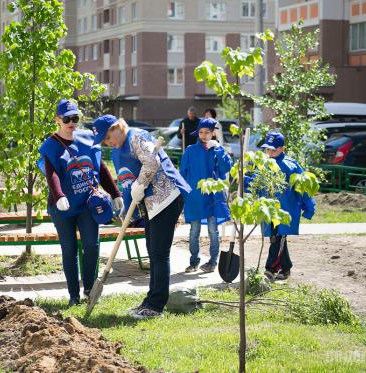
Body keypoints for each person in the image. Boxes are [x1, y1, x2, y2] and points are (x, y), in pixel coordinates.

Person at [93, 114, 191, 320]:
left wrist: (141, 183)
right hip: (151, 203)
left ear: (117, 127)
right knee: (152, 251)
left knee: (159, 252)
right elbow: (127, 181)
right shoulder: (119, 150)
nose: (107, 143)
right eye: (104, 141)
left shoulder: (137, 136)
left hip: (167, 198)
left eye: (107, 137)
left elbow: (152, 162)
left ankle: (156, 306)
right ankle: (150, 300)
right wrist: (127, 207)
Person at [38, 100, 123, 307]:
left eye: (75, 118)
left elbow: (100, 167)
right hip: (63, 206)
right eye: (66, 118)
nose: (71, 122)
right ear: (58, 120)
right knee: (69, 250)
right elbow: (51, 174)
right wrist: (58, 196)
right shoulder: (51, 145)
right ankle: (73, 295)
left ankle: (89, 289)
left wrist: (114, 192)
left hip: (88, 204)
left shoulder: (87, 139)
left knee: (91, 246)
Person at [257, 131, 316, 281]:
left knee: (278, 238)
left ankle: (270, 269)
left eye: (273, 149)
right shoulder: (263, 164)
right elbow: (255, 183)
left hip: (285, 211)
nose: (269, 153)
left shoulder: (291, 166)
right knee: (276, 238)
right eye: (267, 149)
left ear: (282, 148)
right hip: (268, 210)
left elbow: (303, 187)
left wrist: (309, 207)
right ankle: (286, 267)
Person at [180, 117, 233, 273]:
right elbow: (182, 173)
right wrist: (184, 194)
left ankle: (212, 262)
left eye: (207, 132)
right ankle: (194, 261)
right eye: (201, 132)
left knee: (213, 231)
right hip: (195, 198)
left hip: (213, 198)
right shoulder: (190, 150)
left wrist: (219, 150)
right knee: (194, 230)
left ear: (213, 133)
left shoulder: (217, 150)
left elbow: (225, 168)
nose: (203, 135)